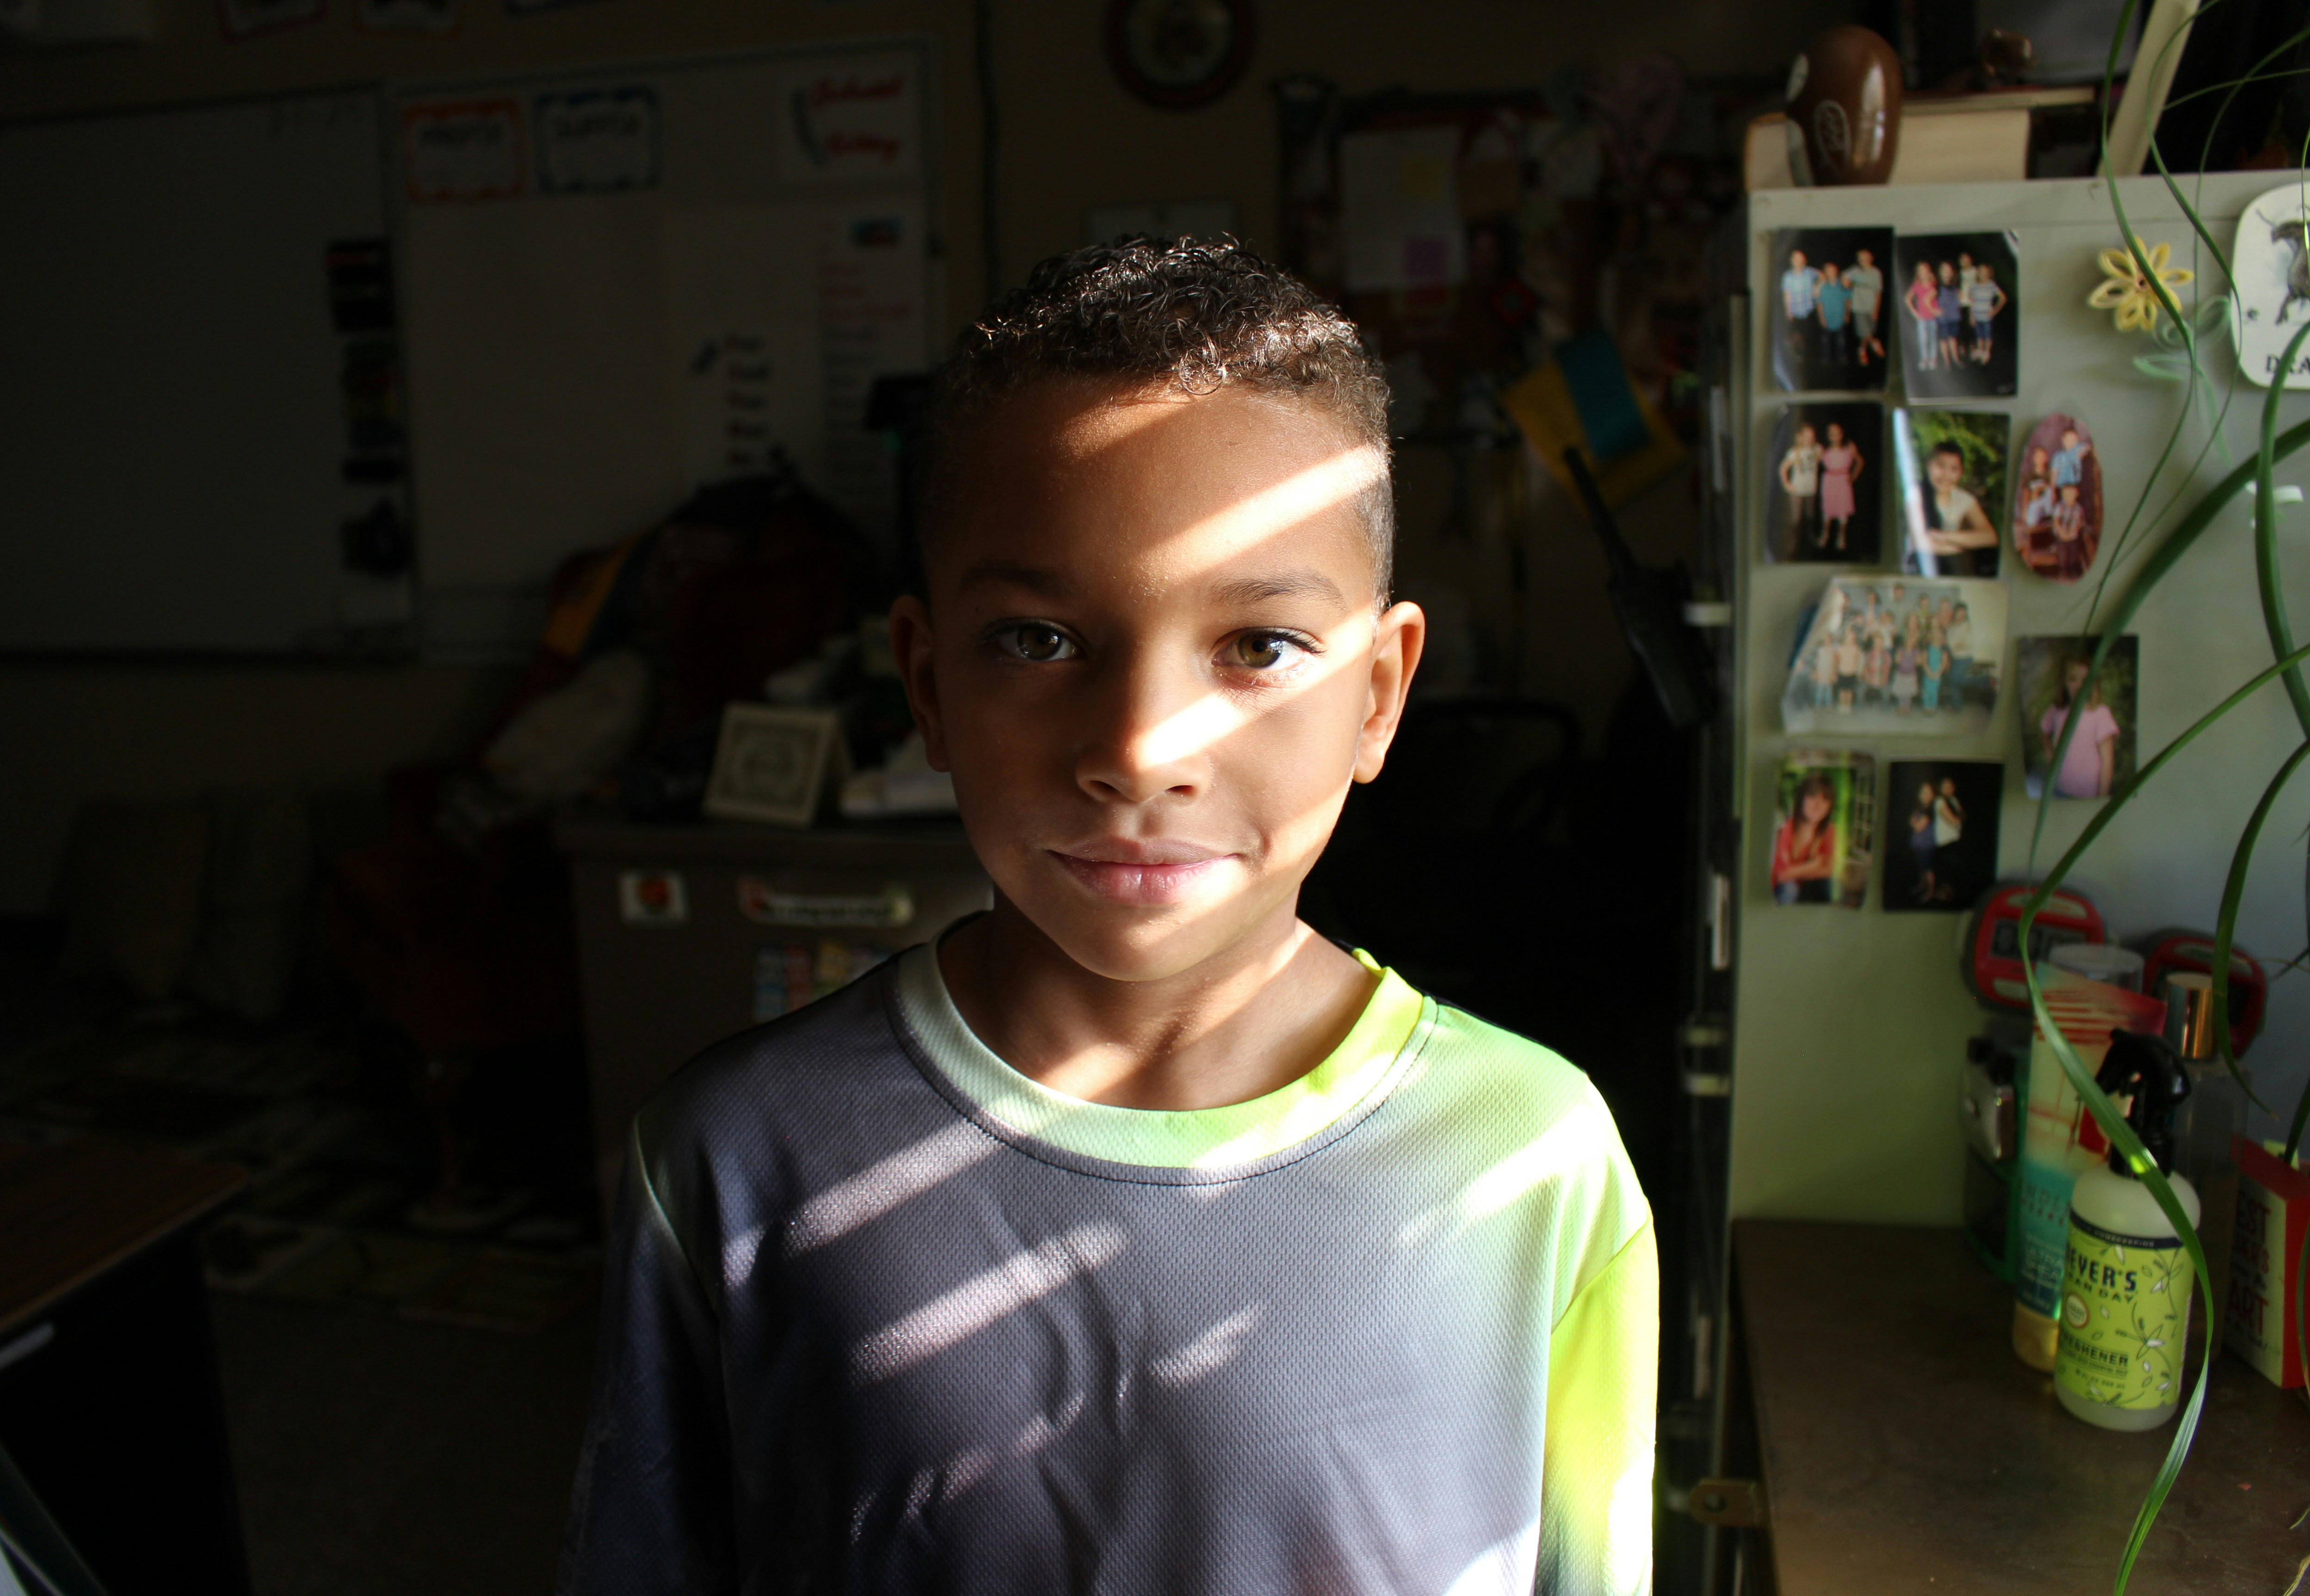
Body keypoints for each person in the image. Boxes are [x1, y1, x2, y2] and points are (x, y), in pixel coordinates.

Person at [558, 239, 1656, 1596]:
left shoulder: (1536, 1163)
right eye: (1039, 638)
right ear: (927, 679)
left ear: (1379, 695)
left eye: (1257, 647)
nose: (1141, 750)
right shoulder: (731, 1160)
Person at [1910, 440, 2000, 575]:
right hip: (1918, 564)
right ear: (1928, 465)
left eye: (1954, 469)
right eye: (1941, 466)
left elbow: (1990, 537)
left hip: (1950, 564)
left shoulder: (1964, 499)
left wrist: (1945, 537)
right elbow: (1919, 543)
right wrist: (1963, 547)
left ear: (1961, 472)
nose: (1946, 475)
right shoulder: (1916, 494)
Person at [2041, 653, 2122, 798]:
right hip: (2059, 789)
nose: (2079, 686)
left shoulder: (2100, 713)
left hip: (2087, 794)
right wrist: (2049, 753)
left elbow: (2107, 762)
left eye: (2084, 681)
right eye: (2073, 680)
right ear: (2064, 682)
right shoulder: (2057, 711)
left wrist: (2101, 798)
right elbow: (2045, 731)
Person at [1773, 772, 1839, 904]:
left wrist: (1802, 871)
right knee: (1791, 889)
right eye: (1813, 797)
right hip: (1784, 889)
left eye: (1825, 799)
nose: (1819, 805)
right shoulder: (1788, 829)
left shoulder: (1829, 830)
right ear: (1801, 799)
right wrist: (1815, 866)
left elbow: (1830, 869)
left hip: (1808, 888)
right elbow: (1783, 876)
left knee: (1833, 885)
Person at [1820, 420, 1863, 553]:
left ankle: (1841, 537)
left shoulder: (1849, 448)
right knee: (1828, 510)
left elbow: (1860, 462)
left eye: (1838, 433)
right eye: (1832, 434)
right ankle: (1825, 536)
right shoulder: (1823, 451)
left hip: (1843, 481)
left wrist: (1853, 477)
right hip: (1829, 481)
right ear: (1828, 436)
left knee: (1843, 511)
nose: (1835, 436)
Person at [1781, 423, 1822, 553]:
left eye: (1812, 436)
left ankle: (1811, 541)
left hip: (1810, 489)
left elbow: (1822, 455)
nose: (1809, 439)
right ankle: (1793, 544)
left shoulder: (1816, 450)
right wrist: (1787, 485)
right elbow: (1783, 469)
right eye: (1807, 436)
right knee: (1796, 518)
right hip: (1798, 490)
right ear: (1801, 437)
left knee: (1810, 515)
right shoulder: (1794, 453)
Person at [1844, 248, 1886, 367]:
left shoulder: (1876, 273)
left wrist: (1876, 311)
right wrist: (1847, 281)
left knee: (1867, 332)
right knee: (1864, 331)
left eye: (1866, 258)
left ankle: (1862, 351)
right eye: (1861, 259)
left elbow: (1878, 293)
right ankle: (1875, 344)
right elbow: (1844, 281)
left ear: (1871, 259)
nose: (1863, 261)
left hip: (1871, 307)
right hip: (1858, 307)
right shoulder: (1854, 271)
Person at [1781, 247, 1820, 373]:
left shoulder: (1810, 272)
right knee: (1796, 337)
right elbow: (1787, 294)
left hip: (1809, 310)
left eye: (1802, 259)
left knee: (1809, 336)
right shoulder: (1788, 276)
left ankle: (1809, 361)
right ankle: (1798, 358)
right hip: (1795, 311)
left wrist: (1817, 288)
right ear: (1792, 261)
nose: (1800, 262)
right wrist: (1788, 311)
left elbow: (1823, 276)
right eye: (1797, 259)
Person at [1931, 775, 1966, 901]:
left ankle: (1950, 896)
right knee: (1945, 871)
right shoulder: (1940, 801)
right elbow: (1952, 820)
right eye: (1945, 786)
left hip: (1955, 840)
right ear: (1941, 788)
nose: (1948, 789)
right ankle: (1942, 896)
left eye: (1950, 786)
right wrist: (1958, 821)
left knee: (1953, 871)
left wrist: (1959, 820)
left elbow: (1963, 816)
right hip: (1944, 842)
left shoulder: (1954, 800)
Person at [1905, 784, 1938, 904]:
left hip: (1927, 844)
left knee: (1928, 868)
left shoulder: (1930, 810)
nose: (1925, 795)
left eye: (1928, 793)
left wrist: (1914, 823)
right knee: (1921, 867)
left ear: (1933, 795)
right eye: (1923, 792)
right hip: (1918, 843)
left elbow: (1918, 827)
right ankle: (1922, 886)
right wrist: (1914, 823)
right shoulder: (1920, 808)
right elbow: (1911, 821)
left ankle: (1931, 892)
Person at [1816, 261, 1853, 368]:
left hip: (1840, 318)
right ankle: (1826, 359)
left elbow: (1847, 301)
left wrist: (1847, 314)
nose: (1831, 272)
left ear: (1836, 271)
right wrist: (1821, 318)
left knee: (1841, 340)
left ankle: (1842, 357)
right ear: (1825, 273)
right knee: (1825, 341)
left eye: (1833, 270)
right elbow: (1819, 304)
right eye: (1828, 270)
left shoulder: (1842, 285)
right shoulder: (1822, 287)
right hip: (1827, 317)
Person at [1904, 261, 1940, 370]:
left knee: (1933, 339)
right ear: (1918, 274)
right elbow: (1907, 299)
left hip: (1933, 318)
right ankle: (1924, 359)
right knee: (1923, 339)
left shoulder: (1934, 284)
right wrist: (1915, 313)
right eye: (1921, 272)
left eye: (1925, 271)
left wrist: (1936, 311)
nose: (1923, 274)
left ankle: (1933, 359)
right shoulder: (1917, 286)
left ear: (1929, 272)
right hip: (1922, 318)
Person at [1967, 263, 2003, 364]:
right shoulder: (1974, 286)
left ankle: (1987, 352)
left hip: (1987, 317)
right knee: (1979, 335)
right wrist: (1972, 316)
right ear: (1978, 273)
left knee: (1988, 335)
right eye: (1981, 272)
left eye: (1985, 272)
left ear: (1989, 274)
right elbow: (1972, 302)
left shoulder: (1992, 286)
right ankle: (1980, 351)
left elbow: (2003, 298)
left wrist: (1995, 310)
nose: (1983, 274)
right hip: (1977, 315)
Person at [2052, 482, 2090, 580]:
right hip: (2062, 535)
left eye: (2071, 494)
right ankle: (2063, 571)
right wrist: (2063, 533)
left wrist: (2072, 533)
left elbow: (2079, 522)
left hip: (2073, 535)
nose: (2068, 497)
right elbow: (2057, 522)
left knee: (2074, 552)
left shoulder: (2078, 508)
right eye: (2066, 495)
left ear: (2076, 494)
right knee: (2063, 553)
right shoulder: (2060, 507)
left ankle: (2073, 570)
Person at [1945, 601, 1975, 711]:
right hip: (1955, 658)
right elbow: (1950, 643)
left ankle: (1984, 681)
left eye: (1964, 613)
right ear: (1955, 613)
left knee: (1956, 679)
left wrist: (1958, 644)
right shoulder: (1951, 627)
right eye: (1960, 613)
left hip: (1965, 657)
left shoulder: (1966, 626)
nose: (1962, 615)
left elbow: (1968, 642)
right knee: (1954, 682)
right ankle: (1957, 707)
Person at [1935, 261, 1963, 369]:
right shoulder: (1938, 287)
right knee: (1944, 339)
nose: (1947, 273)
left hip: (1954, 316)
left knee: (1953, 338)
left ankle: (1956, 359)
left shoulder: (1955, 286)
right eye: (1945, 271)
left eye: (1949, 271)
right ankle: (1947, 363)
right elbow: (1928, 300)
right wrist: (1935, 311)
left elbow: (1960, 299)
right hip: (1943, 319)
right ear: (1941, 273)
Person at [1835, 620, 1864, 712]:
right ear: (1845, 638)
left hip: (1852, 672)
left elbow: (1859, 661)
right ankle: (1842, 705)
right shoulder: (1840, 648)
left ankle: (1848, 706)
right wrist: (1835, 671)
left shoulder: (1856, 649)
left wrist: (1859, 672)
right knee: (1842, 690)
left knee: (1850, 691)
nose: (1851, 640)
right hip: (1842, 671)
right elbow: (1837, 661)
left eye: (1853, 638)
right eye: (1849, 638)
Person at [1891, 627, 1919, 714]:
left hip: (1911, 675)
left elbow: (1919, 663)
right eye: (1909, 639)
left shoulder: (1916, 651)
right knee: (1901, 692)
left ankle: (1907, 707)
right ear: (1906, 641)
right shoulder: (1901, 650)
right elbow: (1897, 660)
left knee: (1908, 692)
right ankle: (1901, 707)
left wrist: (1919, 658)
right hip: (1901, 674)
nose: (1911, 642)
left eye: (1913, 640)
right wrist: (1898, 657)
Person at [1922, 621, 1947, 713]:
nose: (1937, 640)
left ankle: (1933, 708)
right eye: (1935, 638)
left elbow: (1944, 663)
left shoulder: (1943, 651)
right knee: (1927, 691)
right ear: (1931, 638)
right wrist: (1928, 672)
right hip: (1928, 673)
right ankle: (1926, 707)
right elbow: (1924, 662)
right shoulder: (1928, 649)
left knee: (1934, 692)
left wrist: (1939, 673)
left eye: (1939, 638)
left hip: (1937, 674)